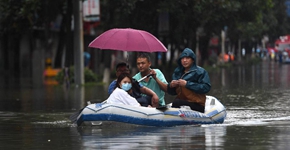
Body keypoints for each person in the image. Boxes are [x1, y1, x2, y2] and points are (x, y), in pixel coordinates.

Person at [167, 48, 211, 113]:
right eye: (182, 58)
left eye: (187, 58)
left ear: (192, 60)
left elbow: (206, 88)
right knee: (176, 102)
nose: (184, 60)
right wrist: (171, 85)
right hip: (181, 102)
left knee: (177, 102)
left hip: (197, 104)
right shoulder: (177, 72)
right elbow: (172, 93)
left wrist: (187, 84)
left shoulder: (200, 72)